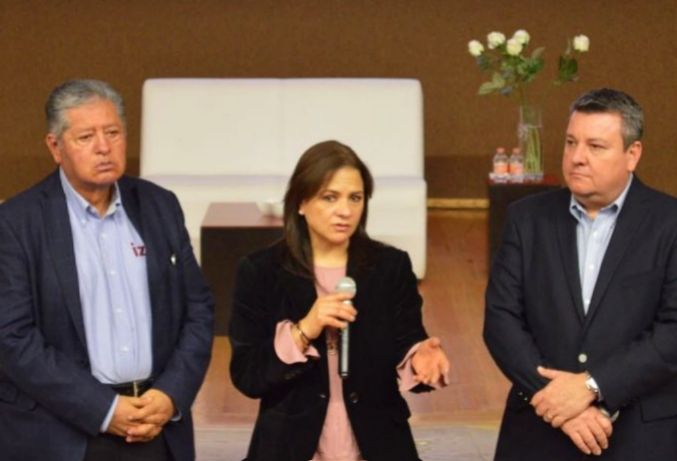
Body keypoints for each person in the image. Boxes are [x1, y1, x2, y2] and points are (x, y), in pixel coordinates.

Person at [0, 79, 214, 461]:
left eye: (112, 133)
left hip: (157, 425)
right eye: (86, 137)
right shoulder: (17, 222)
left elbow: (198, 310)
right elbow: (12, 336)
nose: (103, 147)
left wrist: (170, 394)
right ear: (55, 146)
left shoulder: (160, 206)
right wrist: (103, 408)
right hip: (64, 435)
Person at [484, 88, 677, 460]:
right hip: (538, 425)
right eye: (571, 142)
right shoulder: (526, 219)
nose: (577, 157)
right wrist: (556, 400)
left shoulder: (669, 223)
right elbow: (500, 320)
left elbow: (672, 332)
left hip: (639, 433)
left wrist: (593, 386)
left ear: (632, 154)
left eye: (595, 146)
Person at [229, 140, 449, 461]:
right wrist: (305, 328)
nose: (345, 211)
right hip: (289, 445)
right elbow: (248, 375)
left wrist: (420, 358)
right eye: (330, 197)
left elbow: (408, 339)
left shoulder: (390, 267)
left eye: (355, 198)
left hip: (377, 443)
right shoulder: (261, 271)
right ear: (301, 202)